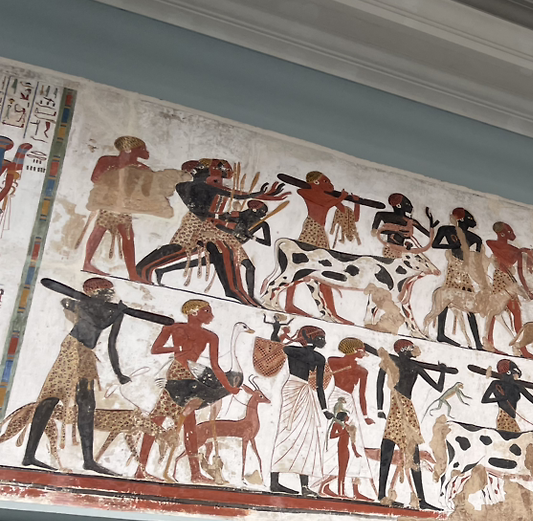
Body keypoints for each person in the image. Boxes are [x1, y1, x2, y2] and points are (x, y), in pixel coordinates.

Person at [22, 277, 171, 474]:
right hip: (71, 351)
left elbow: (111, 344)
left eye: (109, 292)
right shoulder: (85, 305)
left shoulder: (113, 311)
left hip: (86, 356)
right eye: (104, 292)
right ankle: (29, 455)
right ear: (92, 293)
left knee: (87, 405)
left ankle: (88, 461)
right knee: (51, 399)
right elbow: (69, 302)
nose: (109, 295)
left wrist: (119, 373)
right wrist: (111, 310)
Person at [136, 158, 285, 305]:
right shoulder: (198, 186)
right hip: (198, 223)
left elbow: (234, 194)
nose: (220, 178)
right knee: (182, 249)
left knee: (224, 251)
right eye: (219, 172)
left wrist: (260, 195)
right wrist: (258, 195)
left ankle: (236, 291)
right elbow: (234, 195)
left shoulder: (196, 187)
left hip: (211, 224)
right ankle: (144, 268)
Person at [134, 299, 240, 483]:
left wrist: (228, 387)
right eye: (206, 311)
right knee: (157, 420)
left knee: (189, 424)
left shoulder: (210, 336)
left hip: (192, 379)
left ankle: (195, 474)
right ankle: (141, 469)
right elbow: (155, 349)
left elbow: (215, 366)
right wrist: (178, 348)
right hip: (177, 375)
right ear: (194, 312)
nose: (211, 315)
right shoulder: (174, 328)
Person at [376, 339, 457, 508]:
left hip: (406, 410)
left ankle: (421, 499)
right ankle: (382, 495)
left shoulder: (414, 366)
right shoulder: (391, 362)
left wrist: (442, 371)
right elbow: (380, 384)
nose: (414, 350)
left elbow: (438, 387)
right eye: (411, 347)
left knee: (413, 455)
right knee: (388, 449)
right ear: (403, 349)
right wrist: (379, 408)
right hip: (397, 408)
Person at [268, 324, 329, 496]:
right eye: (320, 337)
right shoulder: (297, 351)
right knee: (287, 434)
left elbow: (319, 386)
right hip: (294, 389)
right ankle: (276, 482)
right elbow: (277, 346)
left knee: (305, 437)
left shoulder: (316, 357)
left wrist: (324, 409)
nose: (322, 341)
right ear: (309, 337)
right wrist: (276, 331)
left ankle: (302, 486)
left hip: (303, 391)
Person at [82, 135, 152, 280]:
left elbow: (147, 191)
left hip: (124, 205)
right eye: (142, 149)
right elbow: (95, 178)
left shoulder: (142, 168)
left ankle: (131, 273)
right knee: (108, 230)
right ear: (130, 150)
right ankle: (89, 263)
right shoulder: (107, 161)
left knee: (124, 235)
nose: (145, 152)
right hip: (109, 202)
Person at [323, 337, 377, 500]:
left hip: (349, 402)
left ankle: (355, 489)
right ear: (353, 350)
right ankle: (328, 484)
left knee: (355, 443)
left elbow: (361, 395)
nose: (364, 352)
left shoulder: (362, 371)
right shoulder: (333, 361)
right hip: (336, 401)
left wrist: (365, 416)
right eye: (361, 349)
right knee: (336, 444)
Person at [431, 207, 485, 348]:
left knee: (471, 304)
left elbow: (477, 259)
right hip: (454, 268)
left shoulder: (476, 238)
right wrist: (452, 245)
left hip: (465, 271)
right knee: (445, 298)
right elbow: (435, 244)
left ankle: (477, 342)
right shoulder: (446, 230)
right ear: (461, 219)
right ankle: (441, 334)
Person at [468, 359, 533, 433]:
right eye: (515, 374)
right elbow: (484, 400)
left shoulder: (518, 386)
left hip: (511, 420)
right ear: (509, 373)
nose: (517, 377)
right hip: (504, 418)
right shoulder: (496, 383)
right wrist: (501, 398)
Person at [485, 221, 533, 347]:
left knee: (516, 311)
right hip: (500, 279)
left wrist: (527, 291)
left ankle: (520, 343)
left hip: (510, 280)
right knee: (494, 309)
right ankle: (489, 340)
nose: (513, 234)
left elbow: (520, 274)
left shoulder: (515, 251)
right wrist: (521, 252)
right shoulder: (492, 243)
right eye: (509, 232)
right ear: (502, 234)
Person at [371, 193, 434, 257]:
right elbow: (379, 216)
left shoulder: (408, 220)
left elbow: (425, 232)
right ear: (398, 206)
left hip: (399, 248)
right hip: (393, 248)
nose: (410, 206)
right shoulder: (396, 218)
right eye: (406, 204)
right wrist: (375, 229)